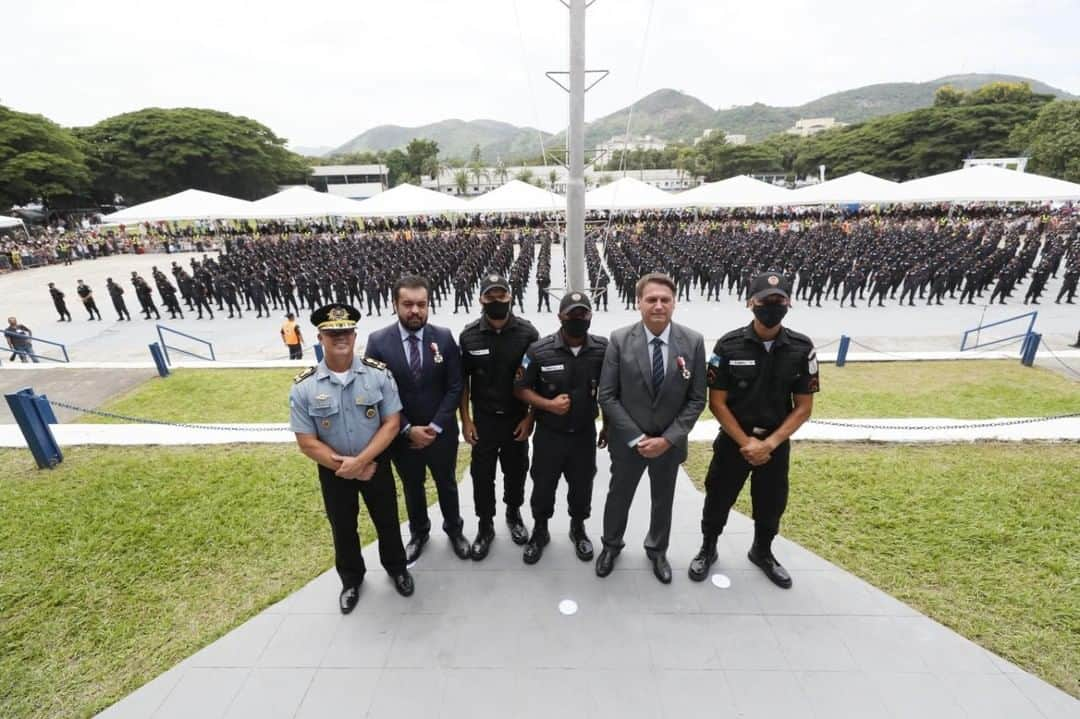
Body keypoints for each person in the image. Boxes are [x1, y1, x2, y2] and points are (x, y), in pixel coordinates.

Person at [689, 271, 818, 589]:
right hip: (735, 441)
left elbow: (803, 406)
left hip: (774, 444)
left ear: (789, 303)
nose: (772, 307)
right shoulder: (729, 345)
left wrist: (769, 443)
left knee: (771, 502)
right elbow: (717, 402)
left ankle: (762, 551)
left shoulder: (802, 348)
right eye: (765, 301)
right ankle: (708, 548)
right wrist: (746, 441)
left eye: (779, 301)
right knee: (718, 497)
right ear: (751, 303)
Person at [289, 303, 414, 614]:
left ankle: (397, 568)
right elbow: (307, 442)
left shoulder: (377, 375)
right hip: (334, 472)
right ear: (320, 337)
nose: (340, 337)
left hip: (375, 466)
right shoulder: (304, 387)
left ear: (355, 334)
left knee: (387, 521)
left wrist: (362, 463)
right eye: (332, 333)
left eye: (345, 331)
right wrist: (349, 467)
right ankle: (351, 580)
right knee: (343, 528)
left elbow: (392, 423)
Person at [596, 273, 706, 583]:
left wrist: (668, 439)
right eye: (651, 299)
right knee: (619, 496)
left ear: (674, 304)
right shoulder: (619, 339)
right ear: (638, 303)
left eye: (665, 300)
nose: (658, 305)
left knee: (663, 499)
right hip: (629, 443)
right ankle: (611, 546)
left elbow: (697, 399)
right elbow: (607, 395)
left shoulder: (693, 341)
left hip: (668, 446)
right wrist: (638, 437)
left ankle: (657, 550)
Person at [365, 275, 470, 563]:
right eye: (408, 304)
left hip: (441, 432)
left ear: (429, 305)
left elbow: (455, 386)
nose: (415, 311)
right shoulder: (378, 342)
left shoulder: (444, 337)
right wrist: (407, 428)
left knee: (446, 483)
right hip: (402, 435)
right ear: (395, 305)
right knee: (413, 486)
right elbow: (375, 393)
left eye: (421, 304)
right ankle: (419, 532)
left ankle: (454, 531)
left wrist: (436, 426)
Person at [513, 291, 608, 565]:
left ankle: (577, 529)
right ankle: (540, 531)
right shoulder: (539, 350)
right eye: (572, 314)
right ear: (560, 317)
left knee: (582, 485)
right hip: (549, 434)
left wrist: (608, 426)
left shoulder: (603, 349)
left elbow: (611, 389)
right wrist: (547, 404)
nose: (578, 319)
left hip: (583, 434)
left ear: (590, 317)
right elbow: (520, 388)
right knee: (543, 485)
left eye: (583, 314)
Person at [458, 273, 539, 560]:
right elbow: (463, 383)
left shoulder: (528, 334)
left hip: (517, 419)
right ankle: (485, 526)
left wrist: (530, 419)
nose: (496, 302)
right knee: (482, 476)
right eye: (490, 297)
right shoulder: (468, 336)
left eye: (501, 296)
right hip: (484, 420)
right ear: (481, 299)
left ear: (510, 297)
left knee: (516, 472)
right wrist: (466, 421)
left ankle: (513, 514)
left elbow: (534, 380)